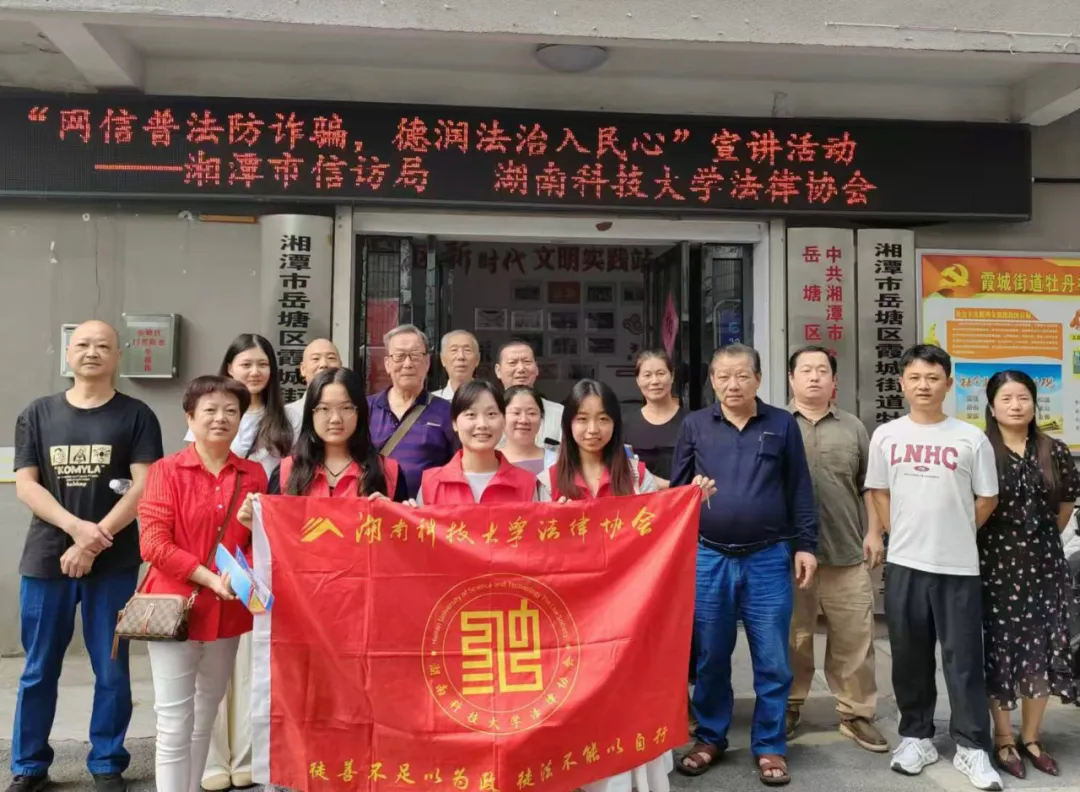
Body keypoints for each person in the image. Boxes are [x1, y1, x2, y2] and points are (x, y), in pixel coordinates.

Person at [537, 378, 713, 792]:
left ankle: (630, 779)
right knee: (582, 694)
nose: (592, 429)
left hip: (630, 609)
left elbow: (660, 527)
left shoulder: (636, 475)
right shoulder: (548, 480)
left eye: (602, 419)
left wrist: (691, 498)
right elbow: (538, 554)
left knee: (629, 693)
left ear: (616, 423)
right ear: (568, 424)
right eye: (582, 419)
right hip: (575, 614)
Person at [9, 320, 163, 792]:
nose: (92, 352)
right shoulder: (37, 413)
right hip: (46, 561)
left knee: (111, 667)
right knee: (38, 668)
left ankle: (107, 763)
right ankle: (29, 765)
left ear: (118, 356)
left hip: (113, 563)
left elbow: (145, 486)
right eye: (82, 344)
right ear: (68, 353)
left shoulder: (136, 415)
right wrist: (76, 529)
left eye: (102, 345)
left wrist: (94, 541)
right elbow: (26, 484)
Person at [671, 342, 818, 786]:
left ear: (758, 378)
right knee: (711, 655)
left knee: (772, 657)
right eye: (723, 376)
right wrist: (692, 497)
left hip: (768, 557)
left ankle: (770, 745)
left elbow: (800, 488)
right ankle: (710, 737)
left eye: (741, 375)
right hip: (709, 556)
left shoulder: (781, 424)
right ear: (711, 380)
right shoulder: (695, 424)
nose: (732, 384)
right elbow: (677, 491)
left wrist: (806, 545)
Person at [865, 344, 1002, 791]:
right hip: (905, 563)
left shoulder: (970, 438)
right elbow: (878, 490)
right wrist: (898, 531)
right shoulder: (887, 436)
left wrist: (955, 530)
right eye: (915, 377)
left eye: (932, 377)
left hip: (958, 566)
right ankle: (916, 737)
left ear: (948, 383)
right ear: (902, 384)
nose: (923, 385)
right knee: (909, 656)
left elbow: (987, 498)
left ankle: (972, 745)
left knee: (964, 659)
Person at [138, 375, 268, 792]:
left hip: (226, 610)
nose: (220, 418)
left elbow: (259, 545)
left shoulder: (253, 474)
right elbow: (153, 543)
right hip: (174, 608)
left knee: (205, 715)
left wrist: (251, 539)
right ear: (189, 417)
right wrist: (209, 577)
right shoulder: (166, 471)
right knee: (174, 722)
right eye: (210, 410)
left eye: (231, 410)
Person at [196, 333, 291, 792]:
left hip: (259, 553)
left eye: (262, 364)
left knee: (252, 658)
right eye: (245, 364)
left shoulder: (286, 421)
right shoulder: (211, 413)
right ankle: (212, 758)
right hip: (209, 551)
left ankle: (248, 755)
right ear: (229, 368)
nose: (254, 372)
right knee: (209, 662)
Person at [784, 346, 887, 752]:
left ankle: (856, 714)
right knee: (792, 637)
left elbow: (870, 486)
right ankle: (788, 706)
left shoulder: (853, 427)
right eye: (805, 370)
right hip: (790, 558)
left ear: (834, 381)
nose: (814, 377)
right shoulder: (776, 424)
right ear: (791, 379)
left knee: (855, 640)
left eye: (822, 371)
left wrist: (874, 532)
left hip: (846, 553)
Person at [978, 370, 1078, 779]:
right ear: (991, 407)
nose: (1016, 406)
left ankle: (1032, 737)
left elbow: (1065, 506)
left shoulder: (1053, 450)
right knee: (1000, 649)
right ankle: (1003, 738)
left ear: (1035, 404)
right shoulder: (980, 448)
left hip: (1044, 566)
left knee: (1041, 647)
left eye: (1023, 398)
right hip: (994, 566)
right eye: (1006, 399)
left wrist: (1035, 541)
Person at [269, 367, 407, 502]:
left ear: (360, 413)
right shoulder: (286, 471)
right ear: (311, 414)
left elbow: (402, 517)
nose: (335, 419)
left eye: (346, 408)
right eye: (324, 408)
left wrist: (397, 511)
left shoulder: (388, 472)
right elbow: (270, 516)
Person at [367, 324, 456, 499]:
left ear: (427, 362)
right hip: (374, 508)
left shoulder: (447, 412)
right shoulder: (366, 408)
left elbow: (457, 466)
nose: (407, 364)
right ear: (387, 364)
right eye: (399, 356)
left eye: (415, 355)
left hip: (425, 510)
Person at [415, 380, 537, 505]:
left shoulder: (526, 484)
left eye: (491, 414)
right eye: (471, 414)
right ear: (454, 423)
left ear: (503, 420)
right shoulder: (431, 484)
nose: (482, 424)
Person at [623, 350, 687, 485]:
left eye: (661, 374)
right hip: (642, 498)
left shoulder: (693, 422)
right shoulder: (625, 425)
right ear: (637, 380)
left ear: (672, 376)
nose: (655, 381)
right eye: (647, 375)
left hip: (685, 496)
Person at [494, 340, 562, 448]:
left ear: (536, 368)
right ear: (498, 371)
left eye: (527, 362)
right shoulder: (488, 414)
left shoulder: (559, 413)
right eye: (512, 363)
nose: (521, 369)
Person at [284, 338, 342, 436]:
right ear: (303, 369)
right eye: (315, 359)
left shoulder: (351, 412)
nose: (324, 364)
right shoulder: (287, 416)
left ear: (340, 366)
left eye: (331, 358)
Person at [498, 385, 558, 476]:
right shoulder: (489, 460)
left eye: (531, 413)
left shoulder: (557, 462)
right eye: (516, 413)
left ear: (541, 418)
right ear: (501, 417)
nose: (523, 420)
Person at [432, 330, 479, 401]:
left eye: (467, 350)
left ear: (477, 359)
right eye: (454, 350)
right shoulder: (432, 402)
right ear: (442, 359)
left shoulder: (490, 400)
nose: (461, 356)